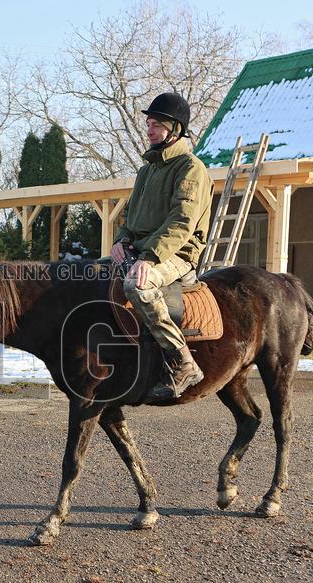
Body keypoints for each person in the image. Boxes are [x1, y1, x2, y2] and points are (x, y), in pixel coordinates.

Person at [110, 92, 214, 403]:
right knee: (90, 275)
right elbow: (131, 217)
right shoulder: (147, 170)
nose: (149, 129)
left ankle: (183, 361)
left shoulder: (191, 169)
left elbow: (181, 222)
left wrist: (149, 258)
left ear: (176, 129)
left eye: (156, 124)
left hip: (178, 253)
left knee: (138, 286)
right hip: (142, 250)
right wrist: (121, 240)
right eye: (148, 123)